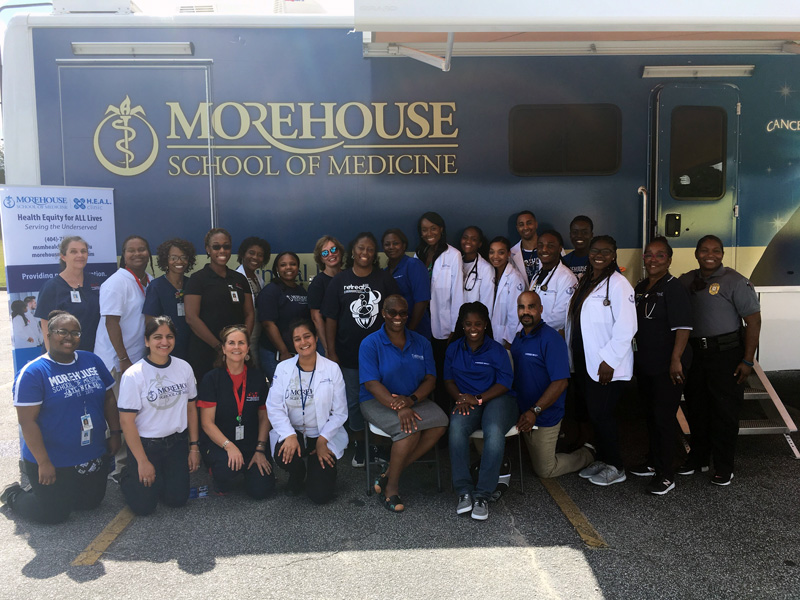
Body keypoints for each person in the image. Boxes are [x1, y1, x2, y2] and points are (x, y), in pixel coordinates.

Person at [1, 311, 121, 524]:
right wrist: (43, 462)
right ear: (48, 334)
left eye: (75, 333)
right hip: (53, 459)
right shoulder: (33, 373)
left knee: (90, 503)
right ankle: (13, 494)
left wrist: (115, 432)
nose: (69, 337)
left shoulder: (92, 360)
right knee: (53, 514)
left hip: (91, 452)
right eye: (62, 332)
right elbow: (27, 422)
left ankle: (59, 493)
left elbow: (109, 398)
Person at [677, 235, 761, 486]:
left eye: (715, 250)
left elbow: (753, 321)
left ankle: (724, 467)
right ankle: (698, 459)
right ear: (696, 253)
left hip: (726, 355)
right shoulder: (687, 280)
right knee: (697, 408)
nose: (709, 255)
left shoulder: (735, 281)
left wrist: (748, 360)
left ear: (722, 254)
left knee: (725, 412)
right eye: (704, 250)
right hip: (696, 355)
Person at [359, 295, 448, 512]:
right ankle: (391, 488)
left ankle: (389, 472)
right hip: (376, 401)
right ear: (383, 313)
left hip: (413, 398)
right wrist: (397, 406)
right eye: (392, 312)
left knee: (441, 422)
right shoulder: (370, 343)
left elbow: (431, 379)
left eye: (402, 313)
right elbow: (371, 384)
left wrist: (411, 400)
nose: (397, 317)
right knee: (409, 431)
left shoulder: (421, 342)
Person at [322, 232, 400, 467]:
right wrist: (331, 352)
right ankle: (360, 444)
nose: (365, 253)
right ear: (353, 252)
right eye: (360, 248)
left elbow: (396, 314)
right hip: (348, 354)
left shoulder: (384, 279)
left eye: (369, 249)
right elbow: (330, 318)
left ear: (374, 254)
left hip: (382, 355)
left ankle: (379, 443)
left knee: (382, 398)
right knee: (353, 401)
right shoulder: (340, 280)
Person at [566, 235, 637, 487]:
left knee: (602, 414)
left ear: (614, 255)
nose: (599, 255)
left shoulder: (619, 284)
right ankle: (603, 459)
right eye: (595, 250)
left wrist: (609, 361)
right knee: (593, 414)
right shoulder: (588, 280)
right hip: (585, 360)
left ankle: (616, 466)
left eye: (606, 251)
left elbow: (627, 327)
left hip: (605, 364)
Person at [118, 316, 200, 515]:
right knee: (144, 508)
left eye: (169, 336)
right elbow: (127, 422)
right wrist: (142, 461)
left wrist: (194, 447)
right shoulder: (134, 375)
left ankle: (162, 477)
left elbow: (191, 409)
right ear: (147, 341)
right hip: (147, 446)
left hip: (176, 443)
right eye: (157, 337)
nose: (164, 342)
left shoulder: (184, 368)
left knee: (177, 500)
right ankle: (127, 475)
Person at [630, 237, 693, 495]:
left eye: (659, 255)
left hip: (669, 366)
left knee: (663, 418)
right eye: (649, 255)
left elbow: (683, 328)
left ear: (669, 259)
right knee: (650, 416)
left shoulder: (674, 288)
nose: (653, 260)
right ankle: (653, 462)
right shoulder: (641, 287)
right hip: (647, 363)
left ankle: (666, 475)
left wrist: (676, 359)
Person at [445, 301, 516, 521]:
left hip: (497, 399)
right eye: (468, 324)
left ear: (485, 324)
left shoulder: (496, 350)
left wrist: (478, 399)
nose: (473, 328)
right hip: (466, 400)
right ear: (462, 325)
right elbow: (448, 380)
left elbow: (505, 383)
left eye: (477, 324)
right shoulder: (454, 348)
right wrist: (460, 398)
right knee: (456, 427)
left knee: (493, 430)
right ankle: (464, 491)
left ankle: (483, 495)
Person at [512, 291, 594, 481]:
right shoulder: (519, 338)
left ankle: (588, 454)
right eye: (521, 307)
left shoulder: (551, 339)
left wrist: (534, 411)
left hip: (543, 415)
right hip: (523, 413)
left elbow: (561, 382)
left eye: (531, 307)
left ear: (541, 309)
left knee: (545, 469)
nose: (526, 311)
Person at [267, 320, 348, 503]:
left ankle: (318, 471)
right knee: (283, 454)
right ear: (293, 343)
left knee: (320, 496)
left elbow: (340, 412)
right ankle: (297, 473)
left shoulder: (332, 369)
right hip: (294, 432)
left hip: (322, 433)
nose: (303, 342)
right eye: (297, 339)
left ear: (316, 338)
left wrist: (322, 440)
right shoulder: (283, 368)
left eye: (307, 336)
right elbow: (274, 406)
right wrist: (288, 435)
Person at [197, 325, 275, 498]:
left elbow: (264, 417)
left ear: (247, 348)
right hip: (221, 443)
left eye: (241, 343)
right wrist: (229, 446)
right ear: (223, 348)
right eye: (231, 343)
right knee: (226, 468)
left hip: (250, 443)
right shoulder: (211, 379)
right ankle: (219, 474)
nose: (236, 347)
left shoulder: (257, 377)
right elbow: (207, 423)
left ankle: (247, 469)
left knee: (261, 491)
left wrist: (260, 449)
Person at [185, 228, 254, 382]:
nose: (222, 250)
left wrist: (241, 343)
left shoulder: (240, 279)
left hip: (236, 352)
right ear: (208, 249)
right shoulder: (197, 279)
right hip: (206, 351)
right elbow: (191, 318)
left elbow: (249, 313)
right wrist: (219, 347)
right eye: (216, 247)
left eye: (226, 246)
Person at [414, 212, 464, 412]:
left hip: (443, 327)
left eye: (433, 228)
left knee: (443, 375)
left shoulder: (453, 255)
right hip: (421, 322)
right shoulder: (419, 254)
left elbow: (457, 293)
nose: (429, 233)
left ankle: (444, 418)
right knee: (423, 373)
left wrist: (454, 328)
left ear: (441, 229)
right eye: (424, 230)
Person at [94, 235, 153, 379]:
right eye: (131, 250)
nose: (137, 254)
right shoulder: (116, 282)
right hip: (117, 362)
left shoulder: (151, 280)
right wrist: (123, 358)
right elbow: (111, 322)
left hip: (139, 358)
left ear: (148, 253)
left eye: (141, 249)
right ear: (124, 256)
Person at [35, 236, 102, 353]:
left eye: (83, 251)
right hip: (63, 354)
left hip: (92, 352)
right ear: (63, 256)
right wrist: (53, 357)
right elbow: (45, 326)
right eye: (73, 252)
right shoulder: (51, 287)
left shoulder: (96, 282)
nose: (80, 255)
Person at [256, 251, 310, 382]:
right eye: (283, 265)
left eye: (293, 264)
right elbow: (268, 324)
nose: (288, 267)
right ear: (277, 269)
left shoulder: (301, 290)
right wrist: (284, 352)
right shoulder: (270, 291)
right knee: (282, 390)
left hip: (298, 353)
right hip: (276, 354)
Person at [143, 238, 196, 360]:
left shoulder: (192, 284)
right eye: (174, 258)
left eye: (183, 257)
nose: (179, 261)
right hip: (165, 348)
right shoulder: (156, 286)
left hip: (191, 347)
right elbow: (150, 323)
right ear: (165, 260)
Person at [382, 228, 431, 338]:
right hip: (394, 332)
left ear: (404, 246)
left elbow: (422, 301)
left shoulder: (413, 265)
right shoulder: (385, 272)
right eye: (387, 244)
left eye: (395, 243)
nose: (391, 247)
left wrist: (409, 331)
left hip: (416, 331)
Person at [531, 230, 578, 334]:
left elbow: (560, 317)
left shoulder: (567, 278)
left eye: (550, 246)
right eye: (540, 245)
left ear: (560, 249)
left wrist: (534, 331)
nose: (544, 249)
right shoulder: (537, 276)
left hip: (551, 336)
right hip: (534, 335)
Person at [236, 236, 271, 366]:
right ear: (243, 254)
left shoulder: (259, 278)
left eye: (260, 255)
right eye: (251, 253)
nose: (255, 257)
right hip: (245, 331)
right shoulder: (236, 278)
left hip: (258, 332)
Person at [307, 235, 343, 356]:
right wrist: (328, 348)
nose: (330, 254)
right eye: (325, 253)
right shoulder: (318, 283)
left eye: (333, 249)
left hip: (347, 339)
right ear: (321, 259)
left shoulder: (349, 276)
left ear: (340, 251)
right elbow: (316, 318)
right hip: (329, 341)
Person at [487, 236, 526, 347]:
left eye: (501, 252)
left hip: (505, 337)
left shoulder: (514, 278)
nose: (495, 256)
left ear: (508, 254)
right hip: (490, 333)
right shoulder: (490, 273)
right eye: (492, 252)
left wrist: (509, 340)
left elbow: (514, 314)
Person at [460, 226, 494, 309]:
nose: (468, 241)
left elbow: (487, 302)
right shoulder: (455, 263)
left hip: (474, 315)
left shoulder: (486, 269)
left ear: (479, 244)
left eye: (473, 239)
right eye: (465, 237)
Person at [510, 210, 540, 287]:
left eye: (529, 223)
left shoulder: (553, 249)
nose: (525, 227)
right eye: (521, 224)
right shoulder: (511, 254)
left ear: (536, 224)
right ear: (517, 228)